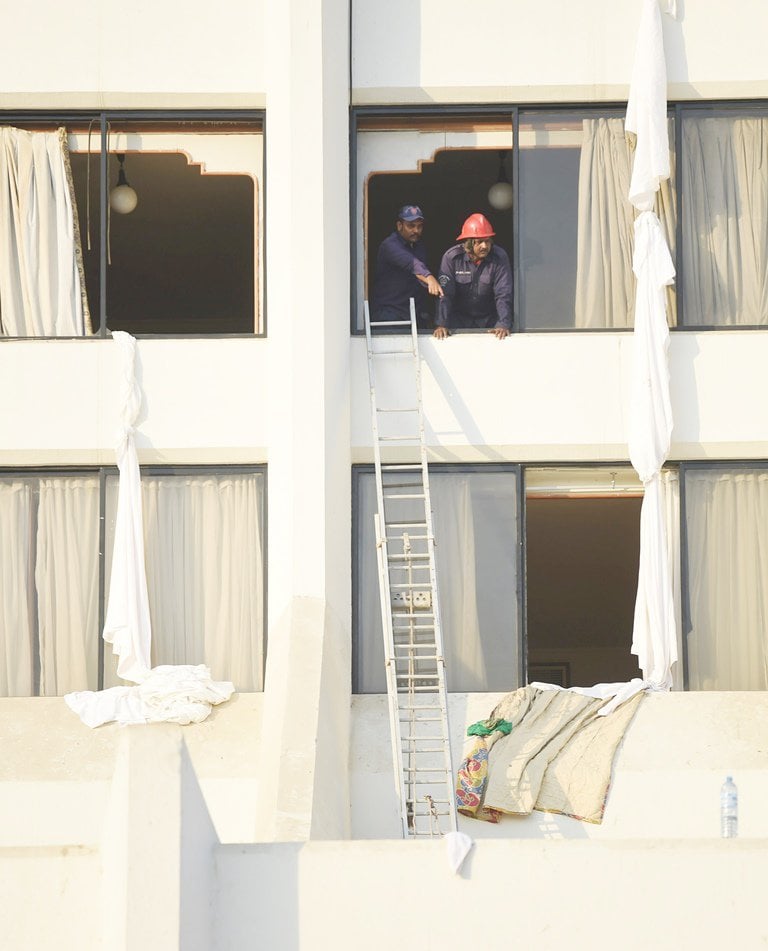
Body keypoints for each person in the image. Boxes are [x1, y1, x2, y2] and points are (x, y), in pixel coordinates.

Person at [434, 213, 512, 340]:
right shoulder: (452, 258)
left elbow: (503, 293)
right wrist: (441, 324)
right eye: (479, 242)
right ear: (468, 244)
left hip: (489, 322)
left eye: (487, 241)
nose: (485, 246)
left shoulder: (499, 257)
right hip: (458, 322)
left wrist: (503, 323)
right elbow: (445, 294)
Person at [371, 205, 443, 328]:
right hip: (389, 315)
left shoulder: (419, 246)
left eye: (419, 226)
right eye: (411, 226)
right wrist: (429, 277)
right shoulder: (389, 245)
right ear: (399, 226)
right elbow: (411, 263)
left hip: (413, 315)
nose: (416, 230)